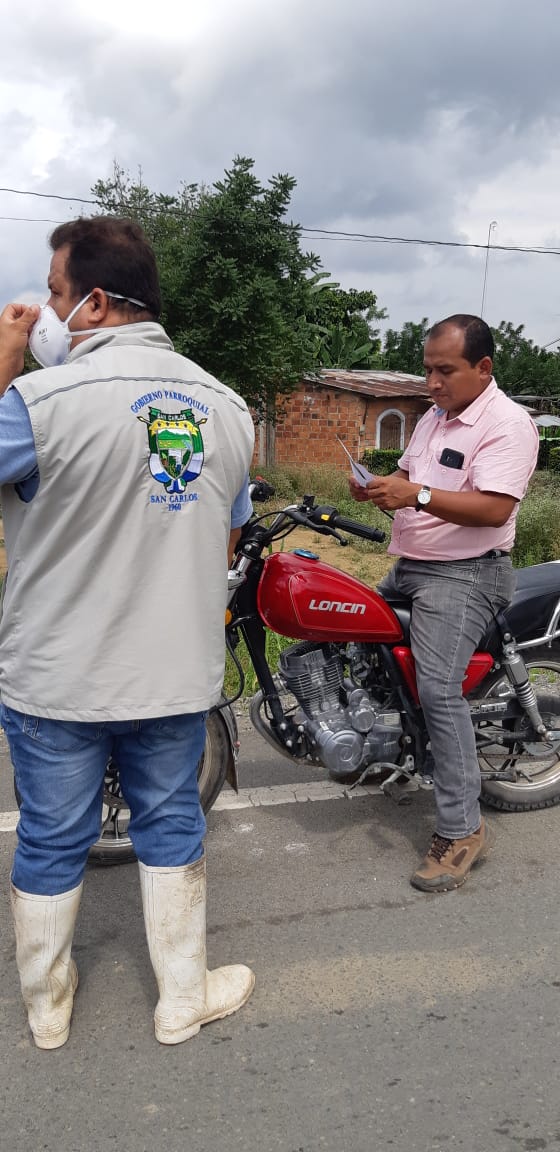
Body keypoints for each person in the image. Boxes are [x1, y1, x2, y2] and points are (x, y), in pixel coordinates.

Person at [0, 216, 256, 1049]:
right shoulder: (230, 410)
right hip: (173, 674)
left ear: (98, 302)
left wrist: (4, 361)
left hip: (59, 677)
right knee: (171, 822)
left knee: (52, 834)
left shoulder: (38, 404)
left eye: (55, 294)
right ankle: (182, 998)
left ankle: (48, 1008)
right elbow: (226, 535)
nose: (47, 312)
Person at [350, 314, 539, 894]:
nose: (431, 382)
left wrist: (417, 494)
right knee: (355, 642)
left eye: (444, 370)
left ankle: (462, 828)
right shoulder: (435, 417)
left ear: (483, 367)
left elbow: (494, 508)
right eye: (427, 369)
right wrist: (380, 484)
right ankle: (387, 748)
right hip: (413, 564)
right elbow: (410, 474)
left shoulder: (507, 424)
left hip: (467, 573)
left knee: (437, 687)